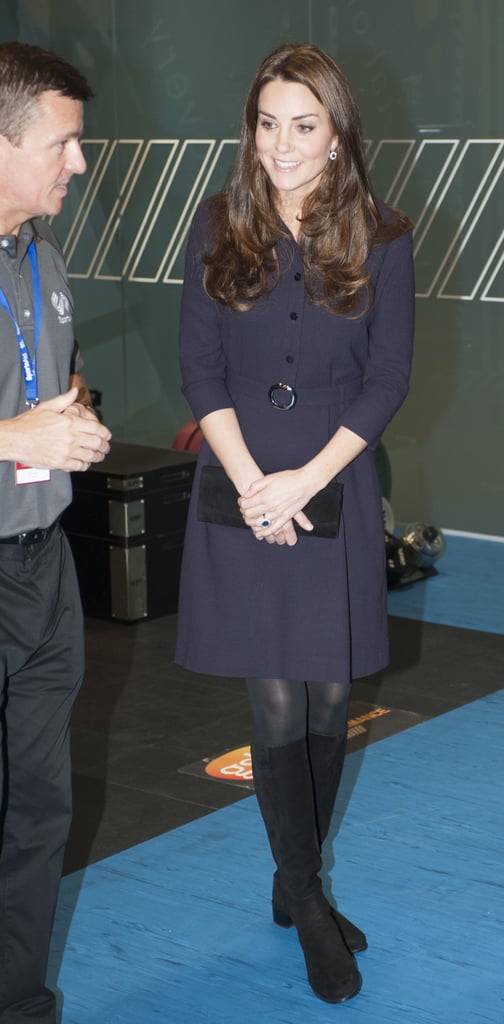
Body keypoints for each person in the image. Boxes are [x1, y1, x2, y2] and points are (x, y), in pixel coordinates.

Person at [177, 43, 414, 1003]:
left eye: (303, 125)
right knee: (275, 703)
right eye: (268, 123)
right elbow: (201, 369)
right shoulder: (215, 224)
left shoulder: (385, 237)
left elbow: (387, 380)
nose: (282, 144)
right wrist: (254, 486)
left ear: (337, 134)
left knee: (327, 701)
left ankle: (292, 880)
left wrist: (305, 483)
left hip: (334, 487)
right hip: (241, 494)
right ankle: (310, 903)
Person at [0, 42, 111, 1022]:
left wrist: (66, 416)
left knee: (39, 812)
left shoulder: (42, 253)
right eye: (62, 144)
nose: (78, 164)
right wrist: (13, 433)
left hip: (44, 570)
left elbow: (43, 389)